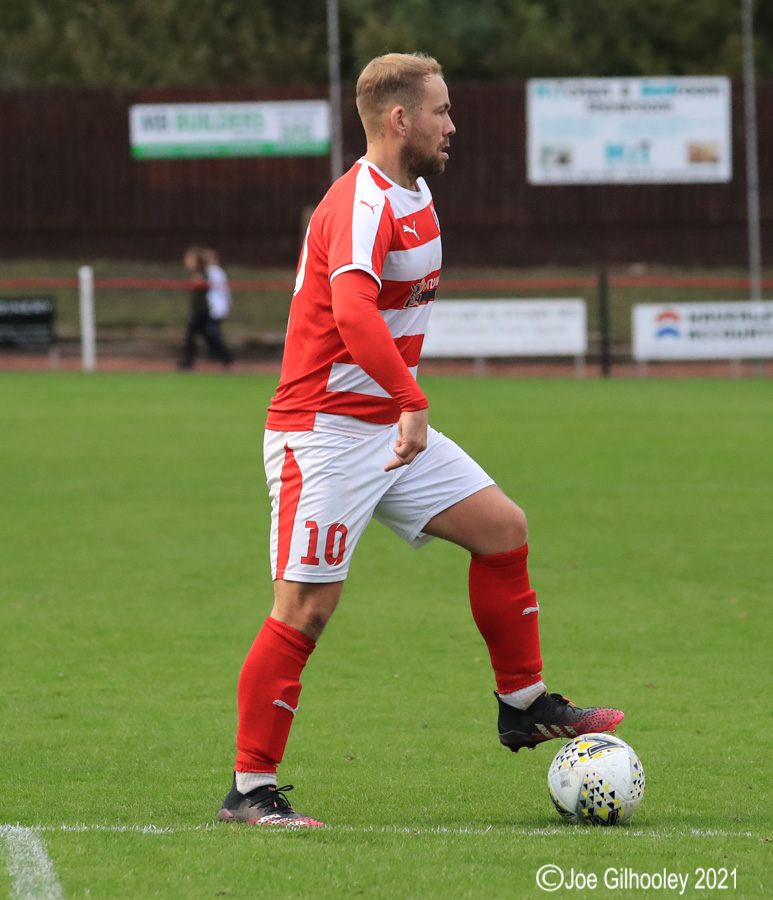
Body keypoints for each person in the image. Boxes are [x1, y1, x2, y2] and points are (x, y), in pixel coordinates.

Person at [216, 53, 624, 828]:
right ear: (397, 118)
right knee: (303, 610)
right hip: (326, 433)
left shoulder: (416, 191)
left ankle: (522, 704)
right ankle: (249, 789)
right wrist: (409, 399)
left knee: (501, 529)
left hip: (385, 426)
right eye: (439, 111)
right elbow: (352, 314)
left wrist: (399, 406)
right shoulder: (360, 203)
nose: (452, 124)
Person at [179, 247, 234, 369]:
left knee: (210, 334)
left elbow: (218, 291)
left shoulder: (212, 272)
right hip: (210, 308)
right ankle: (222, 356)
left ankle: (225, 356)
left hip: (212, 309)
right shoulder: (208, 271)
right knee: (205, 334)